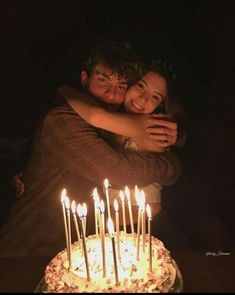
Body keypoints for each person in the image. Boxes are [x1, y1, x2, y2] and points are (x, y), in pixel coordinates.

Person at [0, 43, 182, 257]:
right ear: (84, 78)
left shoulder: (112, 128)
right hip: (27, 251)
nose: (111, 93)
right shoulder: (62, 121)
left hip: (78, 255)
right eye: (103, 80)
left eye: (121, 86)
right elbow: (120, 173)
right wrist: (174, 165)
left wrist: (179, 137)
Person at [56, 57, 185, 219]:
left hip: (141, 224)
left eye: (155, 97)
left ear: (160, 106)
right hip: (113, 222)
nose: (143, 98)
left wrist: (63, 89)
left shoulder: (151, 127)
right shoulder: (120, 119)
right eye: (141, 86)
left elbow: (96, 116)